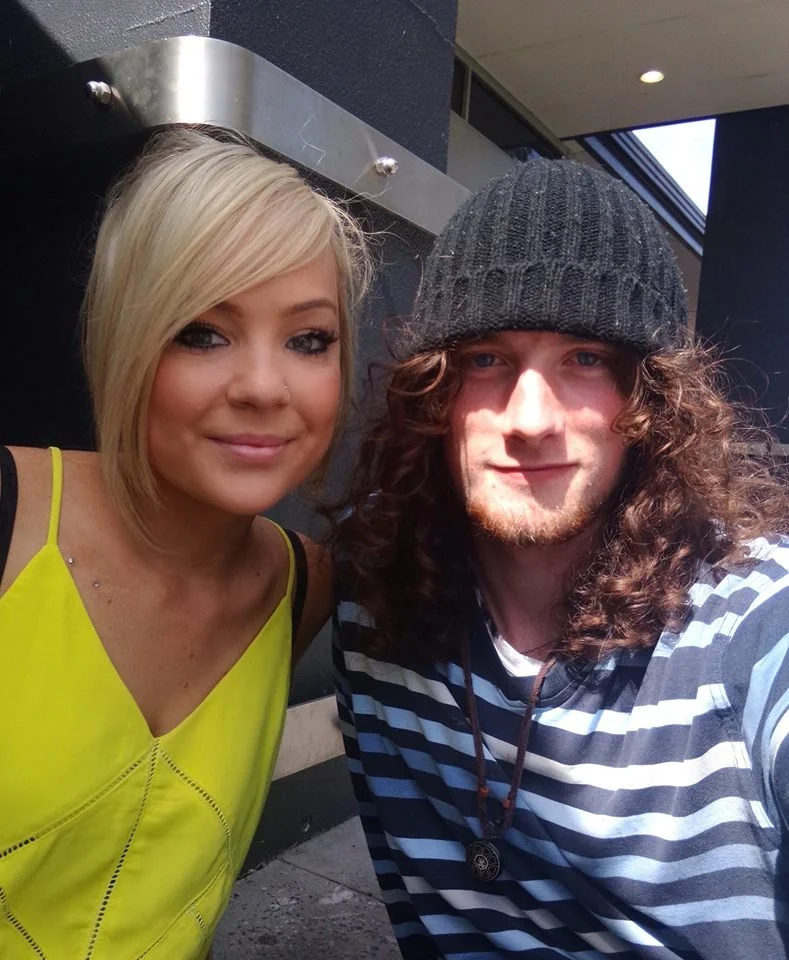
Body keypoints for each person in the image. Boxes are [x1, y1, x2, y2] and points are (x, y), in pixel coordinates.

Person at [332, 159, 789, 959]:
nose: (528, 418)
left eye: (584, 358)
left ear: (648, 402)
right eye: (485, 359)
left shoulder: (744, 622)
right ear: (433, 395)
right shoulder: (373, 608)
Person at [0, 127, 370, 958]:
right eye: (203, 331)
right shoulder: (11, 513)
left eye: (309, 339)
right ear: (128, 337)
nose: (263, 387)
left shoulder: (302, 588)